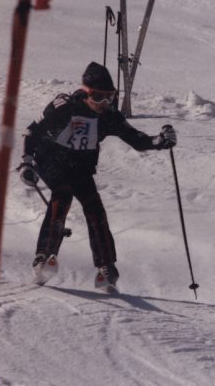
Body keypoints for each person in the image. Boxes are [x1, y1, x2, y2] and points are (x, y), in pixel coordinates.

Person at [17, 62, 177, 288]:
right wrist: (26, 163)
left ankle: (106, 268)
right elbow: (31, 132)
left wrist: (159, 141)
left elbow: (136, 139)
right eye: (98, 96)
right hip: (51, 158)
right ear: (85, 92)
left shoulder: (109, 115)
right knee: (62, 196)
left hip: (79, 165)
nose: (104, 103)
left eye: (109, 97)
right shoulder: (64, 106)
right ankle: (43, 256)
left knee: (94, 208)